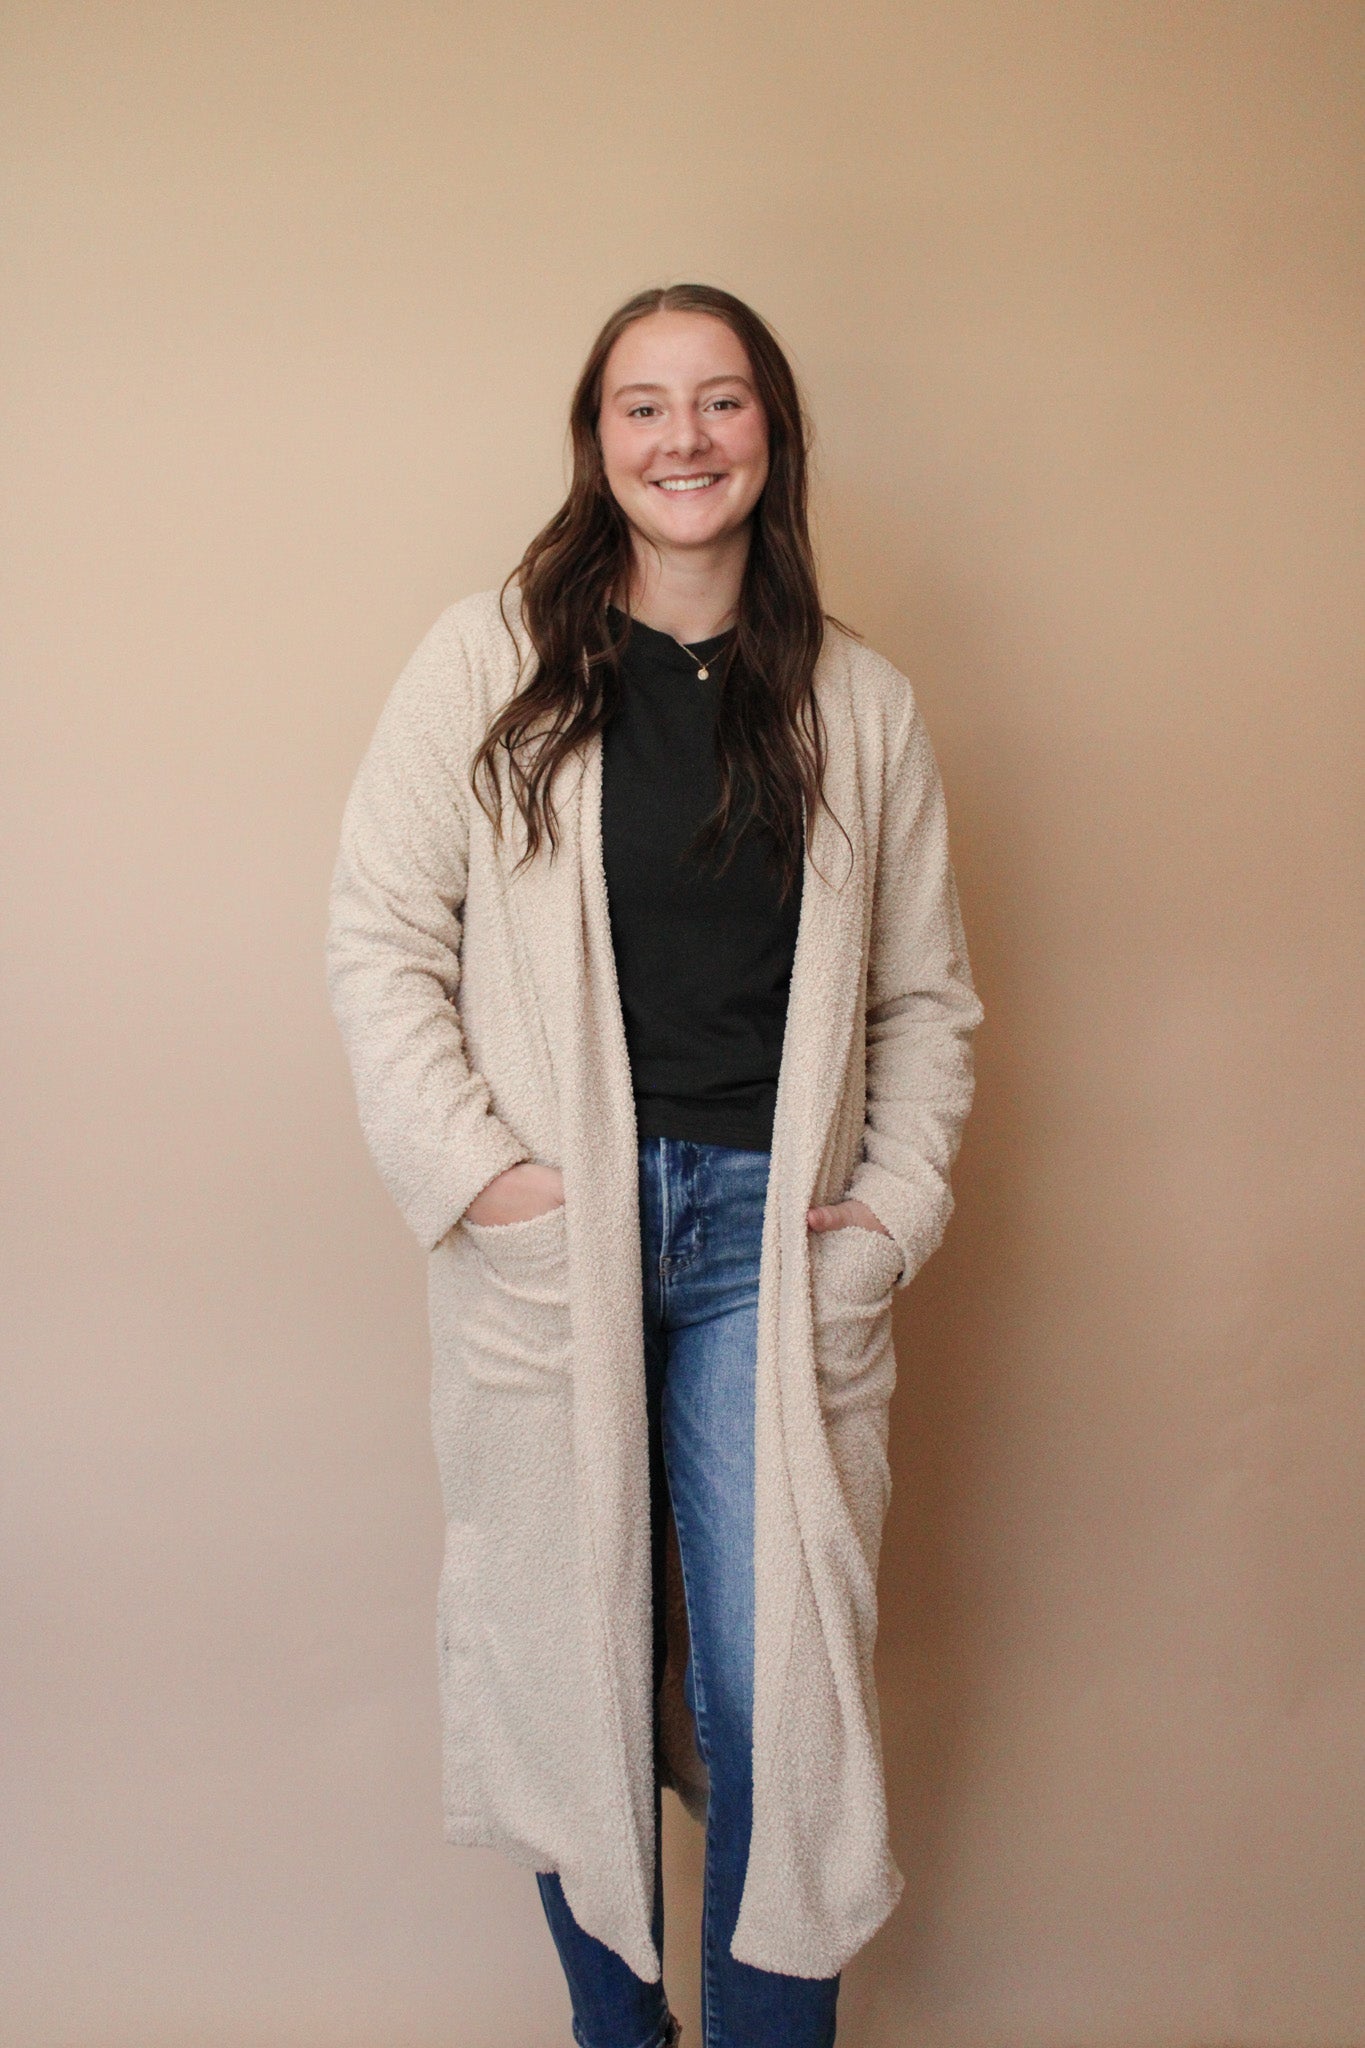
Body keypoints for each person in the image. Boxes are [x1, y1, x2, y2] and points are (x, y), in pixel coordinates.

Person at [325, 281, 984, 2048]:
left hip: (777, 1245)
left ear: (772, 433)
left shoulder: (862, 703)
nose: (682, 438)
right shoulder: (487, 663)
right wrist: (481, 1180)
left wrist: (888, 1217)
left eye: (719, 400)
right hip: (561, 1240)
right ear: (596, 439)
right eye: (643, 405)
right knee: (577, 1684)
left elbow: (926, 1000)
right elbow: (380, 938)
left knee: (785, 1704)